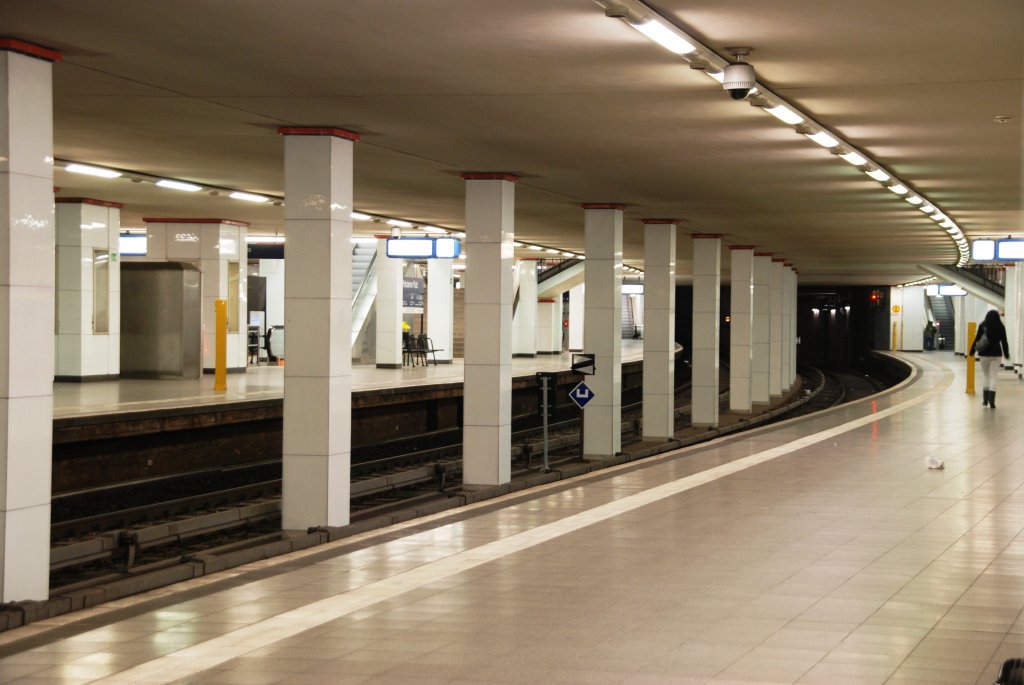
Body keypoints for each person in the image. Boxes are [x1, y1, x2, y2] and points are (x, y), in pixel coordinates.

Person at [970, 309, 1010, 408]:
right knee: (993, 377)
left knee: (986, 376)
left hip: (984, 354)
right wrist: (1006, 353)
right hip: (997, 354)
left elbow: (977, 339)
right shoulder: (1001, 327)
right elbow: (1004, 341)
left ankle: (985, 400)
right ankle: (992, 401)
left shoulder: (982, 326)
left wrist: (972, 351)